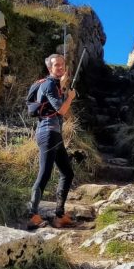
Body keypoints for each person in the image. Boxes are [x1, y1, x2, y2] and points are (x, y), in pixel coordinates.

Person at [26, 53, 76, 229]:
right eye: (57, 65)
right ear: (50, 68)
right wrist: (70, 97)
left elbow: (53, 107)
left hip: (53, 134)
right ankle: (32, 215)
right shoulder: (48, 84)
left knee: (67, 173)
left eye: (62, 65)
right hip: (48, 133)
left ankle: (59, 216)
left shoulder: (50, 84)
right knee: (44, 173)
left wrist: (62, 90)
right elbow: (61, 110)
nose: (61, 68)